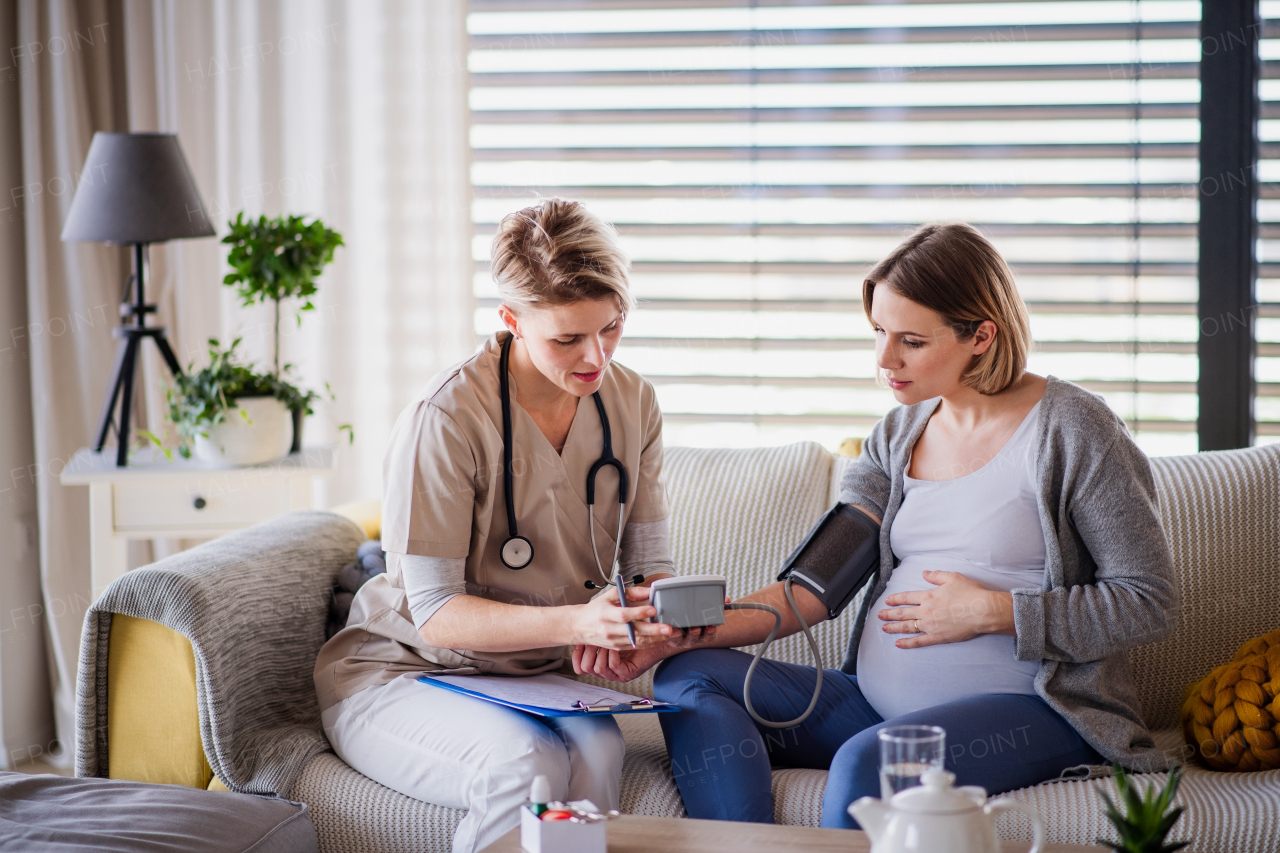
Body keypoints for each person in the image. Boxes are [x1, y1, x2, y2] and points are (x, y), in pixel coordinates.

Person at [575, 222, 1180, 827]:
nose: (885, 360)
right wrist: (678, 631)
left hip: (1036, 711)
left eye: (911, 341)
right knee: (688, 674)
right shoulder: (897, 436)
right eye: (879, 333)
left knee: (871, 765)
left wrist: (993, 612)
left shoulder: (1075, 429)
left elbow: (1148, 600)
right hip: (873, 705)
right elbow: (813, 588)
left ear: (981, 335)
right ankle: (745, 845)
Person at [314, 198, 701, 853]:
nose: (595, 358)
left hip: (532, 683)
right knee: (523, 763)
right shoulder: (446, 418)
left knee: (599, 748)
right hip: (402, 670)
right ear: (510, 321)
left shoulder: (633, 401)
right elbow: (434, 613)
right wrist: (579, 620)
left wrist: (654, 616)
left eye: (611, 328)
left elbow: (646, 565)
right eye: (567, 338)